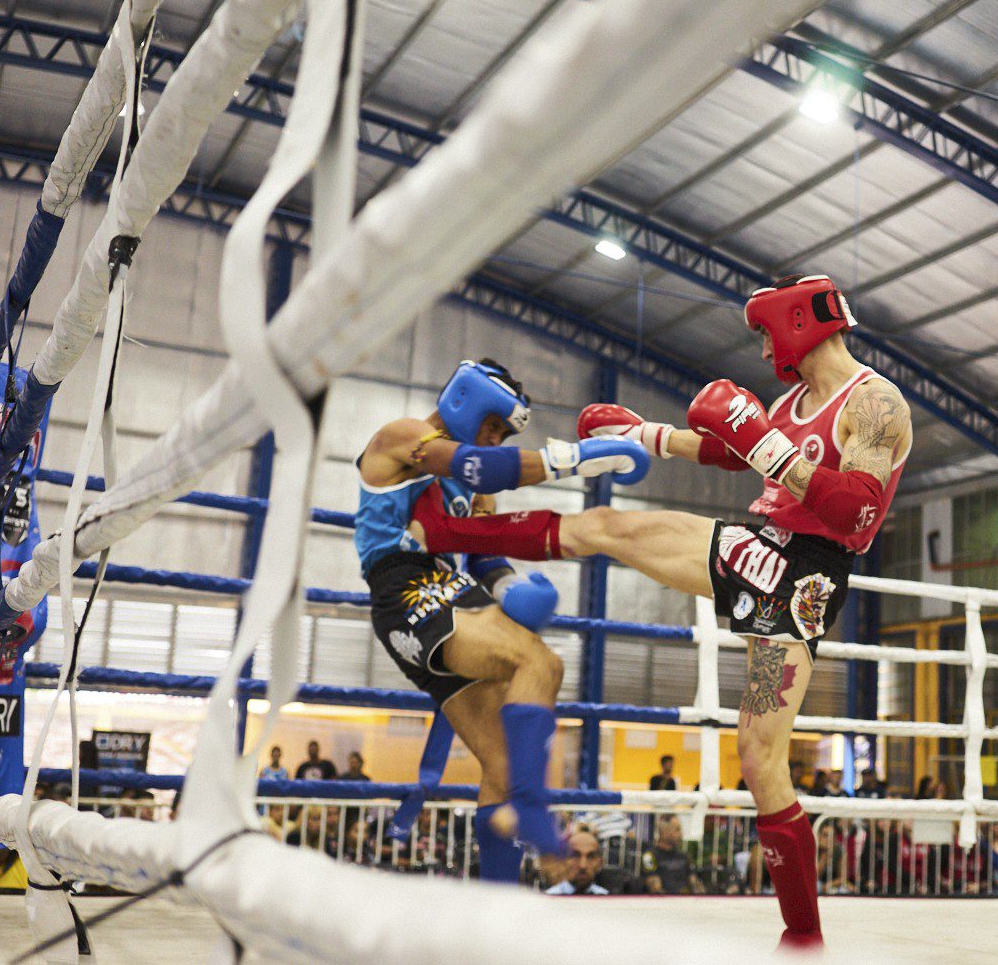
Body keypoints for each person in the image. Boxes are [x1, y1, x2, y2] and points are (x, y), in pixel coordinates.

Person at [558, 274, 911, 948]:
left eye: (765, 335)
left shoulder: (875, 402)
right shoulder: (794, 401)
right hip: (756, 547)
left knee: (758, 754)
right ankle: (463, 533)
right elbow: (731, 449)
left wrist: (767, 445)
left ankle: (803, 937)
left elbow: (856, 509)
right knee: (612, 528)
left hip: (803, 579)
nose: (763, 351)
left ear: (797, 322)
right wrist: (646, 434)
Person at [355, 358, 648, 873]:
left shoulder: (476, 489)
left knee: (503, 765)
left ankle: (498, 903)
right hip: (407, 590)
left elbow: (485, 556)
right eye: (493, 426)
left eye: (503, 434)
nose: (494, 440)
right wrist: (575, 458)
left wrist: (512, 590)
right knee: (539, 663)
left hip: (448, 593)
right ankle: (533, 809)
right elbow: (481, 465)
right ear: (465, 400)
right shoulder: (402, 436)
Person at [642, 815, 704, 894]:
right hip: (662, 899)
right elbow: (655, 887)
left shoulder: (684, 856)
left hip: (685, 899)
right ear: (664, 832)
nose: (681, 834)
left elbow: (694, 883)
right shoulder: (649, 856)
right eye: (677, 830)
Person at [545, 830, 609, 895]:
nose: (583, 865)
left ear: (599, 863)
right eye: (575, 856)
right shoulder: (548, 898)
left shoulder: (608, 899)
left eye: (590, 857)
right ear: (563, 861)